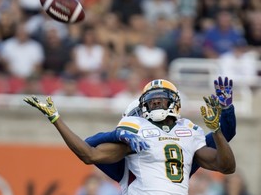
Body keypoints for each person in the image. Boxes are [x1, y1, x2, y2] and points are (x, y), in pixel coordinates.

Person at [24, 78, 236, 195]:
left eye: (161, 100)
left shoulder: (187, 132)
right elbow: (89, 152)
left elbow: (226, 159)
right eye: (151, 101)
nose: (155, 104)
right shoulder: (134, 133)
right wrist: (56, 118)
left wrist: (221, 120)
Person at [85, 77, 236, 185]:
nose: (143, 122)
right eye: (137, 118)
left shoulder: (186, 137)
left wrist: (226, 110)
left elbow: (224, 135)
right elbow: (89, 148)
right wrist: (117, 134)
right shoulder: (126, 149)